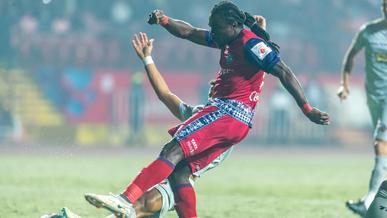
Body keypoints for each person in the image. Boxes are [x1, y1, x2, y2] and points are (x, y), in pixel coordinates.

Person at [85, 1, 329, 218]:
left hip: (228, 112)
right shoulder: (228, 39)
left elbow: (284, 71)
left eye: (217, 27)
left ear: (233, 25)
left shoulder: (249, 43)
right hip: (234, 121)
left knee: (172, 149)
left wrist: (306, 109)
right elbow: (190, 32)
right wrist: (165, 21)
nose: (213, 32)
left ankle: (125, 200)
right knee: (180, 173)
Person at [46, 13, 272, 218]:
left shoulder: (221, 124)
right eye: (216, 82)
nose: (216, 83)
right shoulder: (200, 117)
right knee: (130, 212)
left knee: (135, 208)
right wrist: (147, 59)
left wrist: (259, 33)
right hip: (170, 179)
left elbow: (255, 65)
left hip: (175, 185)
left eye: (220, 82)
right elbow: (165, 95)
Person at [338, 0, 387, 217]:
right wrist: (344, 84)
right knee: (383, 148)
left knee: (381, 144)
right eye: (385, 6)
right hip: (374, 97)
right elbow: (351, 56)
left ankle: (368, 201)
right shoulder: (369, 32)